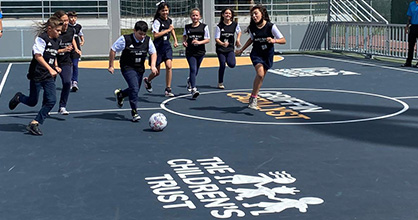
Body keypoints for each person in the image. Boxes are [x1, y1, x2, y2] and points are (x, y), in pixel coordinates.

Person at [8, 16, 63, 135]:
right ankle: (19, 98)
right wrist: (50, 68)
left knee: (51, 100)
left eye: (60, 30)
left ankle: (35, 123)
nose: (59, 32)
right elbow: (38, 56)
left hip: (48, 76)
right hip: (37, 74)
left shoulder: (57, 41)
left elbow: (53, 55)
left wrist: (56, 66)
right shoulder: (41, 39)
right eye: (57, 30)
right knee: (32, 101)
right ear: (49, 29)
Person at [235, 4, 286, 109]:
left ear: (262, 14)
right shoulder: (253, 27)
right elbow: (251, 39)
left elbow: (283, 40)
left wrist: (274, 40)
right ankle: (254, 99)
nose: (254, 16)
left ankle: (253, 95)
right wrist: (241, 50)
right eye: (252, 14)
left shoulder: (271, 26)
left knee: (261, 77)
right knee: (260, 74)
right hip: (256, 53)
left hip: (267, 54)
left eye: (256, 13)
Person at [108, 21, 158, 122]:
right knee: (134, 89)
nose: (142, 36)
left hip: (139, 68)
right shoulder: (125, 39)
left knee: (134, 89)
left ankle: (121, 94)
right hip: (127, 67)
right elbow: (113, 49)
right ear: (134, 31)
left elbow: (153, 52)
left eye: (144, 34)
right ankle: (134, 112)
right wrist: (111, 65)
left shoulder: (148, 40)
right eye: (140, 34)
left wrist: (153, 65)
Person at [143, 1, 178, 97]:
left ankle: (168, 89)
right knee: (156, 72)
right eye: (163, 11)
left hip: (166, 46)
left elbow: (172, 29)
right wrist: (167, 30)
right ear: (159, 11)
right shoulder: (157, 22)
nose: (165, 12)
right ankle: (148, 80)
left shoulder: (169, 21)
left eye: (166, 10)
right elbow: (155, 35)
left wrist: (175, 40)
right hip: (158, 47)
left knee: (169, 66)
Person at [53, 10, 78, 115]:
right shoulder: (54, 33)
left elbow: (72, 38)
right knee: (49, 86)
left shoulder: (71, 30)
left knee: (67, 82)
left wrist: (76, 49)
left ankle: (62, 106)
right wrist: (62, 51)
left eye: (67, 20)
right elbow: (50, 51)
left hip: (66, 61)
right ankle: (47, 105)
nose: (66, 22)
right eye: (63, 21)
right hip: (53, 61)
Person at [183, 8, 210, 99]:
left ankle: (190, 81)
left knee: (196, 70)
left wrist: (199, 42)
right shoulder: (187, 27)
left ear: (200, 16)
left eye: (196, 15)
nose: (195, 17)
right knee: (193, 69)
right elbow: (184, 36)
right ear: (191, 17)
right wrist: (184, 42)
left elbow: (207, 39)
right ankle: (194, 89)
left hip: (200, 52)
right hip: (190, 52)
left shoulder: (204, 27)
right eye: (193, 15)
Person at [215, 8, 241, 89]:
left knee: (232, 64)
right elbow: (216, 39)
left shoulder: (234, 24)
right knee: (222, 64)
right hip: (221, 49)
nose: (228, 15)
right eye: (226, 13)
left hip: (230, 48)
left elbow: (239, 32)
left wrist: (237, 39)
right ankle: (220, 82)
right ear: (223, 15)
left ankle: (228, 59)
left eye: (229, 13)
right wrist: (222, 43)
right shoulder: (219, 26)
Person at [68, 11, 84, 92]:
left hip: (76, 48)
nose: (73, 19)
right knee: (69, 66)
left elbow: (80, 34)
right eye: (71, 17)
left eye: (74, 17)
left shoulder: (78, 26)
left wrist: (82, 41)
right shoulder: (66, 27)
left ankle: (74, 82)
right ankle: (69, 81)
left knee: (75, 65)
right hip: (68, 48)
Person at [403, 0, 418, 67]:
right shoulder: (412, 4)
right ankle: (408, 62)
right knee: (411, 45)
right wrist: (407, 26)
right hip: (413, 27)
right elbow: (409, 16)